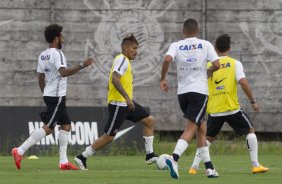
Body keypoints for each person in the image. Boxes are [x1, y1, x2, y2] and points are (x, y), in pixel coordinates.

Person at [11, 23, 94, 170]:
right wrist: (82, 65)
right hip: (57, 97)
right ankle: (20, 150)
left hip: (52, 95)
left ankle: (63, 162)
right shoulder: (58, 54)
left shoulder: (43, 55)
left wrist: (45, 93)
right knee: (48, 128)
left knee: (66, 126)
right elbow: (64, 72)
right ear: (57, 38)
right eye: (61, 36)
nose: (63, 38)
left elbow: (40, 78)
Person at [188, 34, 269, 174]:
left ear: (215, 48)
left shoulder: (207, 65)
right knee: (250, 131)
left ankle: (193, 167)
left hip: (214, 110)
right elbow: (243, 82)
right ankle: (255, 165)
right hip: (232, 109)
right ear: (229, 48)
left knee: (207, 139)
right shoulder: (234, 63)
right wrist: (253, 102)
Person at [74, 34, 157, 171]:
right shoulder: (122, 60)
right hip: (120, 104)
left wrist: (126, 99)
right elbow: (115, 79)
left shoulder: (123, 61)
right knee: (109, 137)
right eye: (134, 48)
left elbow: (111, 81)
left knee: (150, 121)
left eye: (137, 48)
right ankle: (82, 157)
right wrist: (127, 98)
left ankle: (150, 155)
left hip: (126, 104)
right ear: (125, 48)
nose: (136, 51)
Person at [160, 18, 220, 179]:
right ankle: (174, 158)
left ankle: (209, 168)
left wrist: (163, 79)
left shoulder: (177, 45)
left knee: (201, 128)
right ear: (197, 30)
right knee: (191, 128)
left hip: (183, 94)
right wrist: (208, 71)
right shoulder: (205, 44)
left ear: (183, 31)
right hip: (199, 92)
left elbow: (167, 59)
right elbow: (217, 64)